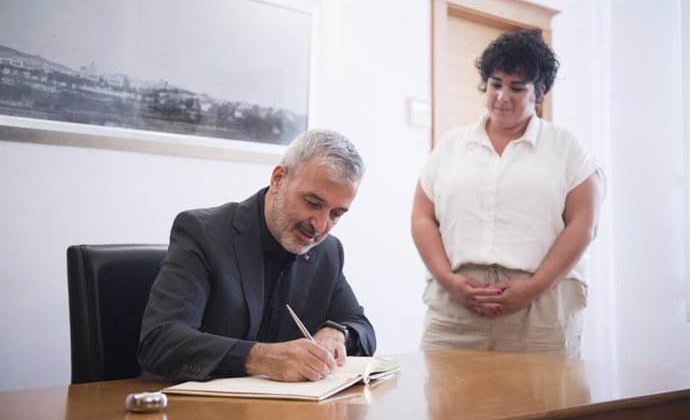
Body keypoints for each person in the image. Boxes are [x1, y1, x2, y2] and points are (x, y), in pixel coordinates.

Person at [411, 28, 604, 358]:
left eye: (517, 88)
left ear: (539, 92)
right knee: (448, 407)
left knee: (544, 407)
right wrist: (447, 279)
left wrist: (533, 287)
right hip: (455, 306)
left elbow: (584, 226)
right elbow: (422, 217)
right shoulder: (451, 146)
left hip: (541, 309)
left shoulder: (567, 147)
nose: (502, 96)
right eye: (495, 84)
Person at [138, 129, 376, 382]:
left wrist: (338, 332)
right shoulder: (202, 232)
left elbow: (362, 327)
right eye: (313, 203)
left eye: (335, 214)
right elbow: (160, 341)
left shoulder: (328, 252)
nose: (320, 226)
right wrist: (260, 357)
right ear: (278, 179)